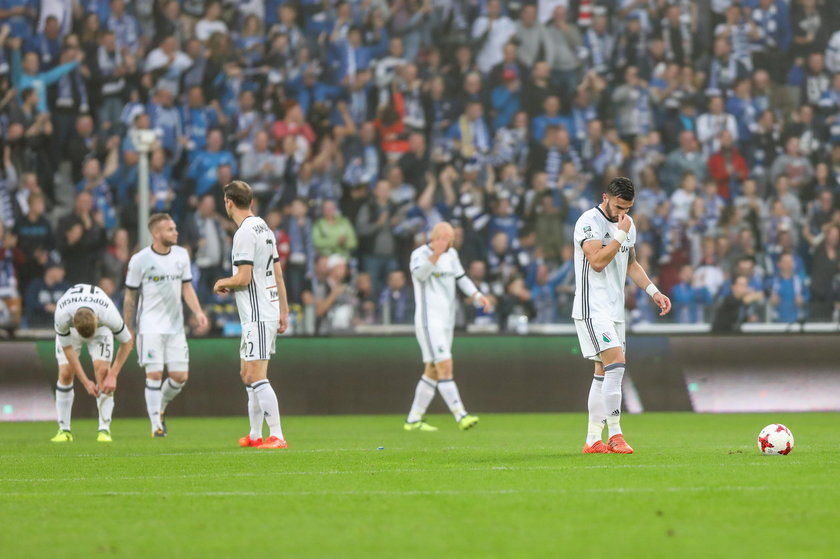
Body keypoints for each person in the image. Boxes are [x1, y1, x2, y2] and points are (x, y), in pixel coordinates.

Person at [572, 177, 672, 455]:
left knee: (602, 373)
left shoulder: (628, 224)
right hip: (592, 307)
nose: (622, 213)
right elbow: (598, 262)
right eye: (618, 207)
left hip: (615, 311)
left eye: (628, 208)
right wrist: (619, 234)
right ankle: (615, 435)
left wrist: (654, 292)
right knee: (617, 363)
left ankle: (593, 439)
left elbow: (631, 263)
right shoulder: (588, 221)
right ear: (606, 197)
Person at [213, 180, 290, 450]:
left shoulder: (244, 233)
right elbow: (277, 273)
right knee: (247, 373)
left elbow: (243, 278)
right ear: (252, 202)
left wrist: (222, 281)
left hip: (258, 313)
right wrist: (284, 309)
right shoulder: (264, 228)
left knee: (257, 375)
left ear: (229, 203)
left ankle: (277, 435)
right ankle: (255, 434)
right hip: (263, 311)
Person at [123, 214, 208, 437]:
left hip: (176, 327)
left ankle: (159, 408)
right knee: (154, 374)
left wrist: (198, 312)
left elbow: (187, 288)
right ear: (156, 234)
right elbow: (130, 296)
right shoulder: (140, 260)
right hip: (150, 326)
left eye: (175, 228)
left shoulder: (181, 255)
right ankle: (155, 426)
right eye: (170, 229)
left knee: (180, 377)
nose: (175, 232)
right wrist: (127, 326)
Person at [404, 222, 490, 432]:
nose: (453, 242)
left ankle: (413, 419)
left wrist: (477, 295)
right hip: (428, 320)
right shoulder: (420, 254)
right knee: (445, 365)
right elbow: (419, 275)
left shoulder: (451, 256)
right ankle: (461, 415)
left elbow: (461, 279)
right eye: (450, 238)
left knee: (432, 370)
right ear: (439, 237)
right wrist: (435, 255)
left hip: (446, 321)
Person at [51, 282, 134, 443]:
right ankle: (64, 430)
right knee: (66, 373)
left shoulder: (108, 313)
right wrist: (85, 381)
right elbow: (68, 349)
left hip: (100, 332)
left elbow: (128, 342)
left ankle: (104, 430)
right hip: (72, 333)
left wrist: (113, 375)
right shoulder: (62, 315)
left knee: (103, 373)